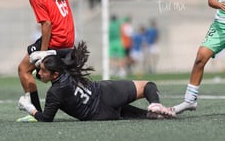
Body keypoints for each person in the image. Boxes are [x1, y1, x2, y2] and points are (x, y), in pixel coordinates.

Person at [18, 0, 125, 122]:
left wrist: (44, 54)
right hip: (68, 39)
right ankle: (101, 102)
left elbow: (46, 25)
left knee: (23, 69)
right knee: (70, 78)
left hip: (56, 39)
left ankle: (35, 111)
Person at [17, 41, 176, 122]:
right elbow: (72, 51)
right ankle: (155, 103)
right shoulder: (65, 67)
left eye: (43, 70)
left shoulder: (54, 93)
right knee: (148, 85)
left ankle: (154, 114)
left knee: (138, 114)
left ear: (54, 74)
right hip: (107, 92)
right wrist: (49, 53)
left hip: (101, 114)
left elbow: (46, 119)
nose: (39, 72)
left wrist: (29, 108)